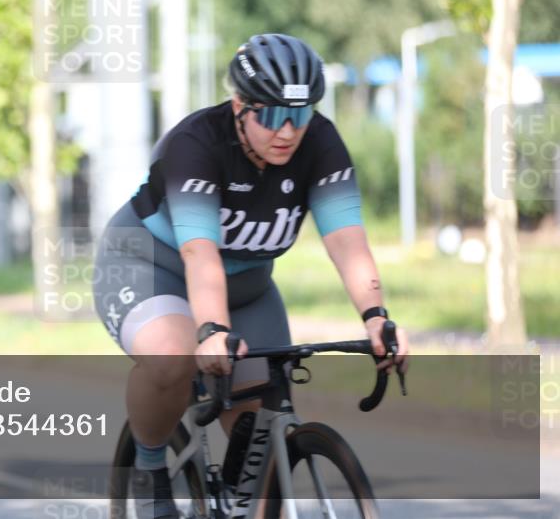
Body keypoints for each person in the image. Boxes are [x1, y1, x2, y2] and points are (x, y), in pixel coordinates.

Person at [92, 33, 410, 519]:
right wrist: (213, 331)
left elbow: (347, 241)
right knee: (174, 358)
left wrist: (376, 318)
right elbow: (200, 253)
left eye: (299, 115)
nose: (287, 131)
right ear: (240, 104)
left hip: (247, 288)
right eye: (271, 114)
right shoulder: (196, 144)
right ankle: (149, 470)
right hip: (150, 266)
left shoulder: (321, 144)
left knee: (262, 449)